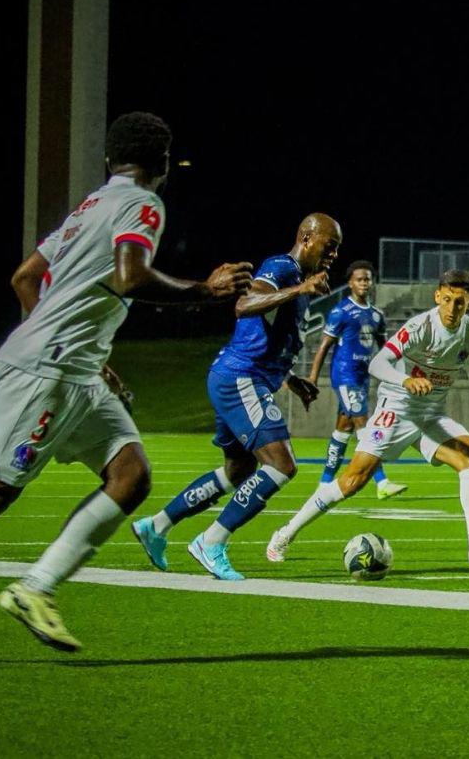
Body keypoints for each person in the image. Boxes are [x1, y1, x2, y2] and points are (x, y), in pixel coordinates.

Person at [0, 112, 254, 665]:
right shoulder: (144, 203)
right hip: (46, 371)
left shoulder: (89, 206)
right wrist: (205, 289)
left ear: (107, 160)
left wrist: (82, 348)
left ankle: (35, 588)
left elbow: (25, 278)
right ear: (162, 164)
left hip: (77, 370)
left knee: (131, 474)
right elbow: (129, 275)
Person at [130, 213, 341, 581]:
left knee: (238, 470)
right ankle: (211, 542)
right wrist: (300, 290)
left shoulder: (297, 278)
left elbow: (267, 338)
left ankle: (156, 525)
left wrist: (291, 379)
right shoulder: (283, 268)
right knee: (282, 465)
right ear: (306, 238)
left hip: (239, 376)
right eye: (330, 245)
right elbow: (244, 304)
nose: (334, 254)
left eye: (338, 248)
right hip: (242, 379)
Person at [265, 270, 469, 567]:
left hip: (431, 415)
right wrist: (405, 381)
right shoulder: (419, 326)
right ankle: (285, 534)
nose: (452, 309)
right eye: (447, 300)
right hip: (395, 409)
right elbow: (377, 363)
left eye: (459, 302)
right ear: (437, 296)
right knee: (352, 481)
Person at [307, 260, 406, 498]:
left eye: (368, 279)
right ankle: (381, 482)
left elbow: (387, 350)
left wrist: (398, 376)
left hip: (362, 377)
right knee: (364, 424)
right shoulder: (341, 311)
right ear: (350, 283)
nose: (364, 282)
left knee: (344, 428)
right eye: (360, 279)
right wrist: (312, 377)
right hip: (344, 375)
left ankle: (324, 483)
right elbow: (324, 346)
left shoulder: (376, 315)